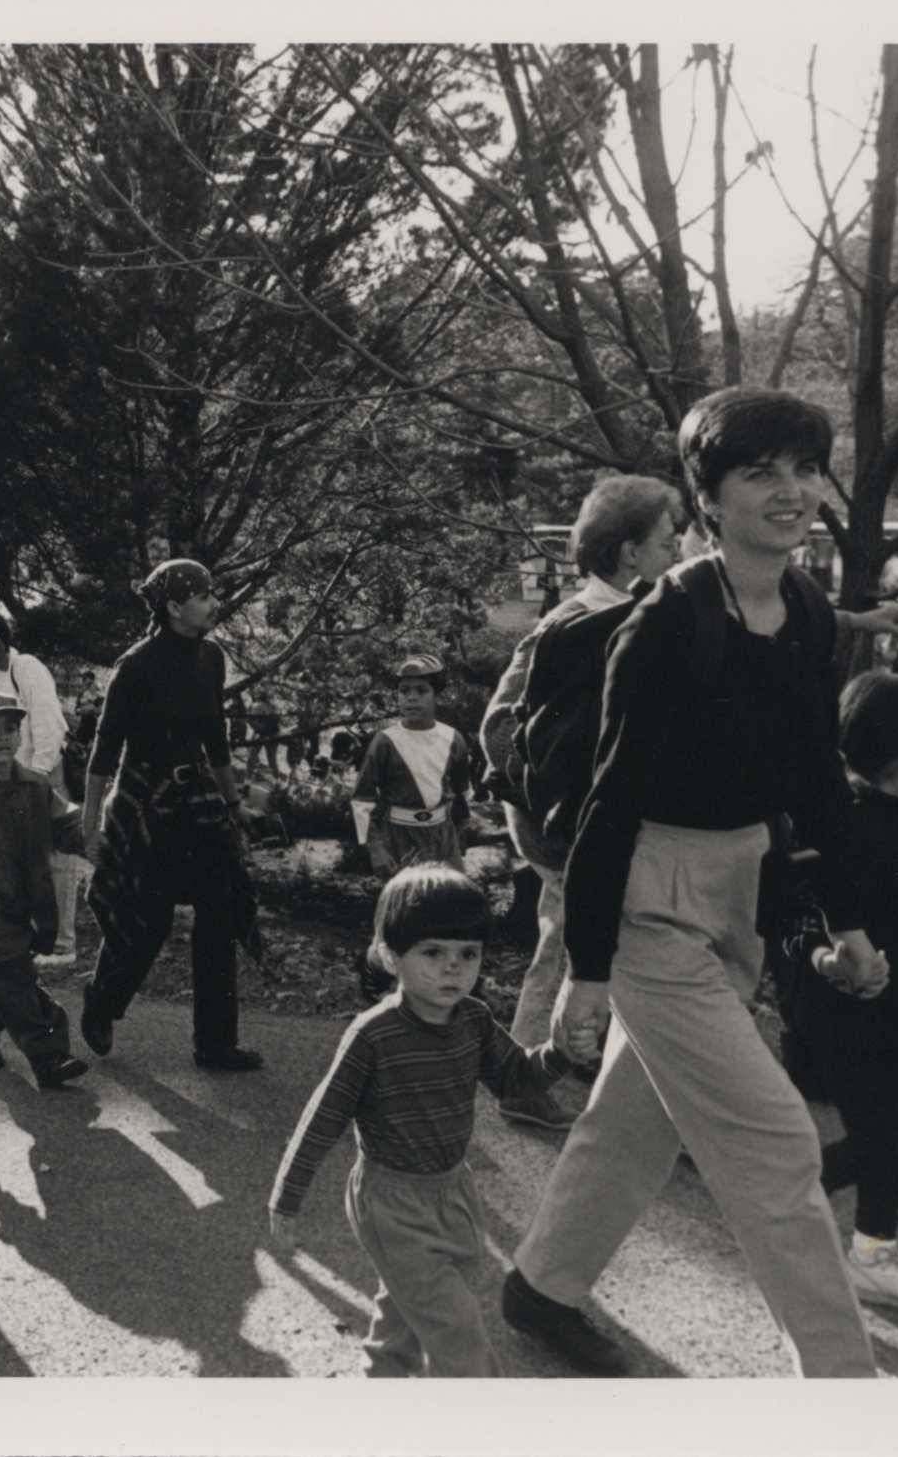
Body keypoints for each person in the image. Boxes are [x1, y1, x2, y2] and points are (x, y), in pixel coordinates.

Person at [501, 386, 887, 1379]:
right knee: (770, 1139)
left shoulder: (801, 607)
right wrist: (587, 967)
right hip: (645, 897)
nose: (790, 490)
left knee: (633, 1119)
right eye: (758, 472)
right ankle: (847, 1388)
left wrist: (845, 919)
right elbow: (607, 801)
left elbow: (813, 775)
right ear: (705, 498)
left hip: (740, 885)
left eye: (802, 469)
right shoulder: (663, 625)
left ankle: (539, 1285)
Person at [269, 865, 582, 1376]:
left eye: (468, 955)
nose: (452, 969)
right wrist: (288, 1194)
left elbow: (517, 1079)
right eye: (432, 953)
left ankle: (384, 1381)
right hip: (390, 1201)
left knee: (409, 1310)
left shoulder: (475, 1020)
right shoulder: (374, 1036)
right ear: (393, 955)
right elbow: (323, 1117)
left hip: (454, 1191)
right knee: (456, 1328)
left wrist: (561, 1053)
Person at [479, 476, 685, 1133]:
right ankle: (531, 1083)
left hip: (578, 823)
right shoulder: (572, 624)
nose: (676, 547)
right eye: (665, 538)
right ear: (628, 552)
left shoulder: (630, 618)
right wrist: (552, 812)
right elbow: (498, 726)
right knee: (580, 940)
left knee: (577, 940)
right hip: (565, 827)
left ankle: (551, 1072)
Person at [774, 670, 898, 1316]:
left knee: (885, 1134)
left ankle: (781, 1207)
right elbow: (787, 912)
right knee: (889, 1134)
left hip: (888, 1015)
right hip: (847, 1018)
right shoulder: (848, 824)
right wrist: (828, 958)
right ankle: (867, 1256)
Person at [79, 559, 262, 1071]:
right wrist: (90, 827)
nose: (213, 603)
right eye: (203, 596)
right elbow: (104, 752)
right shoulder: (135, 666)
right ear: (174, 606)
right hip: (146, 810)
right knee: (148, 922)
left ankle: (216, 1044)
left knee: (220, 917)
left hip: (198, 808)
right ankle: (103, 1000)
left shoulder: (212, 659)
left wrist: (232, 805)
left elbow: (215, 741)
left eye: (210, 594)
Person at [0, 690, 91, 1089]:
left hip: (29, 900)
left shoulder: (34, 785)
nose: (3, 738)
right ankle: (50, 1055)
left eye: (11, 729)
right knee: (15, 977)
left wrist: (91, 837)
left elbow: (66, 824)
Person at [0, 610, 82, 964]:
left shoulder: (25, 667)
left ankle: (64, 944)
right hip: (5, 784)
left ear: (4, 639)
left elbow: (48, 722)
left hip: (42, 773)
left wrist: (40, 774)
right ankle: (35, 937)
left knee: (57, 859)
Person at [350, 654, 471, 879]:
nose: (411, 698)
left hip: (442, 836)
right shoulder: (385, 740)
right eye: (404, 691)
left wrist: (460, 834)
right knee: (405, 904)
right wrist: (376, 850)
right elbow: (362, 800)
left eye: (421, 690)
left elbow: (461, 792)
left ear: (437, 696)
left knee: (451, 899)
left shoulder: (453, 738)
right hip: (399, 836)